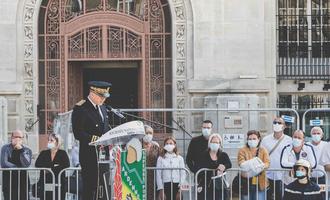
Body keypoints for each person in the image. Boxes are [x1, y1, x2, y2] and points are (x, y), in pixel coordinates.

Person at [71, 80, 112, 200]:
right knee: (90, 188)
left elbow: (105, 129)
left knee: (103, 186)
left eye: (104, 97)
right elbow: (78, 133)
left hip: (104, 155)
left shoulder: (103, 108)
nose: (103, 99)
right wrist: (96, 140)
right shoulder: (81, 108)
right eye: (101, 96)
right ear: (93, 93)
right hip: (89, 154)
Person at [260, 117, 292, 200]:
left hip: (283, 176)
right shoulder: (265, 140)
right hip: (268, 174)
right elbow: (261, 156)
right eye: (275, 122)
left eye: (279, 123)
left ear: (284, 126)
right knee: (267, 197)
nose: (277, 124)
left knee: (281, 197)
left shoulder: (289, 140)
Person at [35, 133, 70, 200]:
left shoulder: (62, 153)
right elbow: (37, 164)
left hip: (59, 183)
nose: (49, 142)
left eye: (51, 140)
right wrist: (55, 166)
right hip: (45, 182)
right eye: (48, 140)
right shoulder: (43, 153)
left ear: (57, 142)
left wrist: (50, 169)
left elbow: (66, 164)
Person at [196, 133, 232, 200]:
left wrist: (224, 166)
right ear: (209, 143)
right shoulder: (203, 155)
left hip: (219, 185)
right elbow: (200, 166)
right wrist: (217, 167)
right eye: (213, 142)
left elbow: (229, 164)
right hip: (206, 184)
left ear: (219, 144)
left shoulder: (223, 155)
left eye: (216, 142)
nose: (215, 144)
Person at [237, 130, 270, 200]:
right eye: (250, 139)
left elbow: (267, 163)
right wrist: (253, 163)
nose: (252, 141)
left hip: (260, 182)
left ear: (259, 139)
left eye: (254, 139)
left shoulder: (263, 150)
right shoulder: (242, 150)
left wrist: (262, 166)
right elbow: (241, 163)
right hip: (246, 183)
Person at [1, 130, 32, 200]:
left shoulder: (27, 149)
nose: (17, 139)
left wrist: (21, 150)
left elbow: (27, 164)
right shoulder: (5, 148)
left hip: (23, 179)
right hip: (9, 179)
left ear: (23, 138)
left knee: (24, 197)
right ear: (11, 137)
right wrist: (17, 168)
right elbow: (4, 163)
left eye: (20, 137)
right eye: (15, 137)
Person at [143, 125, 160, 199]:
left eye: (150, 133)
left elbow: (160, 160)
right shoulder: (137, 145)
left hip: (153, 177)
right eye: (147, 133)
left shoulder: (155, 146)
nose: (148, 135)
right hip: (140, 176)